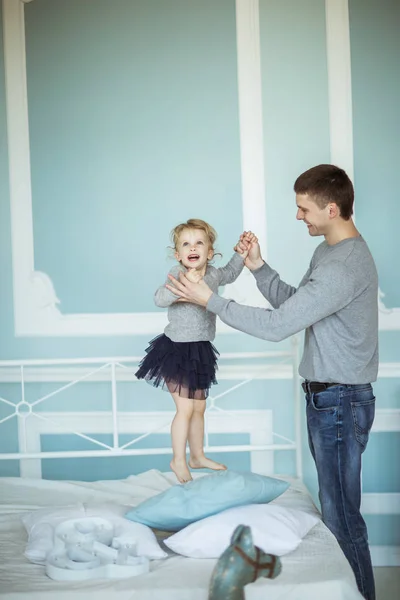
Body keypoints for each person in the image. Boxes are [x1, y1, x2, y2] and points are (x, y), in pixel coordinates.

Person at [166, 165, 378, 600]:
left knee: (342, 519)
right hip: (329, 400)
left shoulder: (345, 265)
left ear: (331, 208)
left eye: (303, 208)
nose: (298, 216)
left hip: (339, 401)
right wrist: (259, 268)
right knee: (338, 513)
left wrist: (213, 300)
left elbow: (279, 326)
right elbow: (297, 306)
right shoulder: (329, 254)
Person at [136, 218, 257, 484]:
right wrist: (179, 290)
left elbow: (231, 273)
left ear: (209, 252)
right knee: (186, 409)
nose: (193, 248)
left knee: (200, 408)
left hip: (200, 350)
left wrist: (242, 253)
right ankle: (178, 459)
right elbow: (159, 298)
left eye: (199, 243)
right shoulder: (177, 274)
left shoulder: (213, 274)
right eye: (186, 244)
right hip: (176, 351)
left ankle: (197, 456)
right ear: (178, 254)